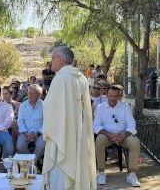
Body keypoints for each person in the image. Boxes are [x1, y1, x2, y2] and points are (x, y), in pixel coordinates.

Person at [41, 46, 96, 190]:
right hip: (79, 133)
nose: (51, 61)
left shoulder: (61, 79)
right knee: (77, 165)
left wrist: (46, 130)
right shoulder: (82, 77)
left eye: (53, 57)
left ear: (61, 59)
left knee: (61, 174)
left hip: (62, 136)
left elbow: (50, 109)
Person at [94, 85, 140, 187]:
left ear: (119, 96)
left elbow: (132, 124)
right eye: (111, 96)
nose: (113, 99)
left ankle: (132, 174)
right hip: (107, 135)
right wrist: (109, 134)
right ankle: (101, 173)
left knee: (135, 142)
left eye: (115, 96)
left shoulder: (125, 106)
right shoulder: (100, 108)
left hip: (123, 135)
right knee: (99, 140)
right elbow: (96, 126)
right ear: (106, 95)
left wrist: (123, 136)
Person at [16, 84, 45, 165]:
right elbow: (20, 121)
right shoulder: (23, 105)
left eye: (32, 94)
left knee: (41, 145)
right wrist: (26, 133)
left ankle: (32, 165)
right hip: (26, 132)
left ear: (39, 95)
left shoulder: (44, 105)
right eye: (29, 93)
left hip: (40, 133)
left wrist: (37, 133)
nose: (30, 96)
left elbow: (46, 123)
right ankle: (33, 161)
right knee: (20, 145)